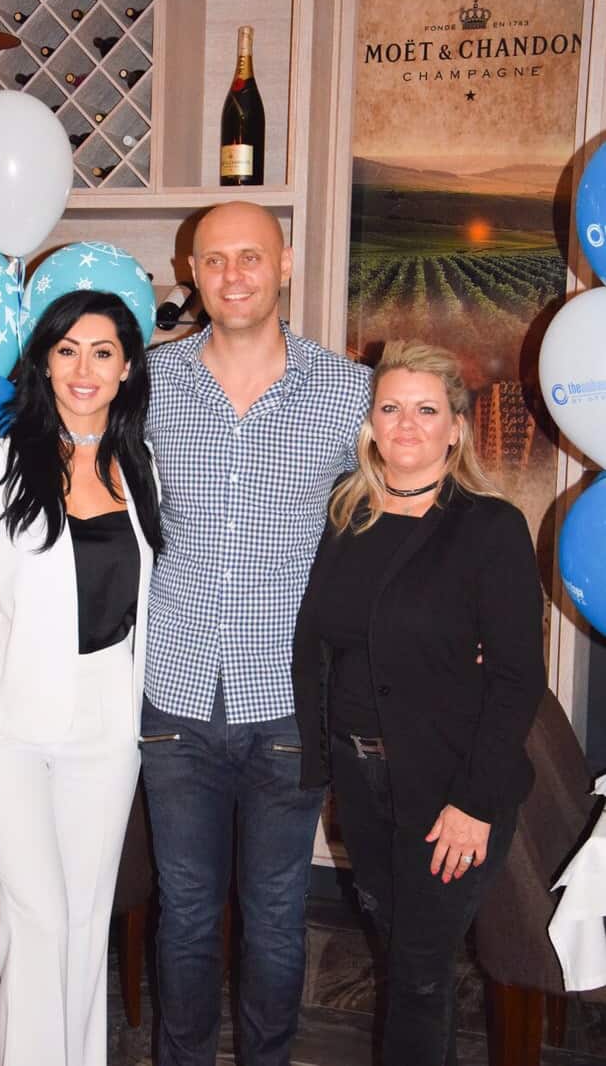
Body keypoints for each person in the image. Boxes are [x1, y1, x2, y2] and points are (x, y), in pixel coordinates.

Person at [140, 201, 372, 1066]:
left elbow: (401, 516)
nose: (232, 274)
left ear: (284, 265)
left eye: (250, 256)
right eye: (214, 259)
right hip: (174, 694)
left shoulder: (348, 391)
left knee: (276, 916)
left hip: (288, 702)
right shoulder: (148, 383)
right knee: (186, 913)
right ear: (190, 273)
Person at [0, 290, 162, 1066]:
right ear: (45, 364)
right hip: (7, 730)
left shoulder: (142, 469)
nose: (83, 368)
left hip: (107, 728)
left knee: (87, 924)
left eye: (102, 352)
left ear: (126, 369)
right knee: (37, 922)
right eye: (67, 350)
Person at [292, 339, 547, 1066]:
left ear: (456, 428)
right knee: (399, 952)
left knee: (419, 973)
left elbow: (516, 678)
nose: (406, 424)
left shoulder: (489, 527)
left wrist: (474, 802)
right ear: (370, 423)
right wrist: (323, 765)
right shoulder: (345, 517)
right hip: (362, 782)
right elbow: (326, 646)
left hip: (450, 787)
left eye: (426, 410)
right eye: (391, 408)